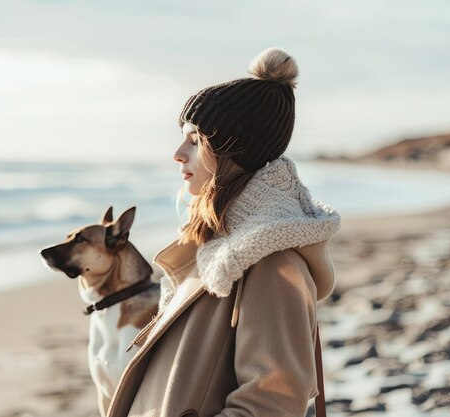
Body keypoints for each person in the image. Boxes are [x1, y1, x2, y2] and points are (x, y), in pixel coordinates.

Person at [105, 46, 341, 417]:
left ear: (236, 151)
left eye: (196, 140)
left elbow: (271, 403)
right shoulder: (220, 243)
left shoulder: (270, 259)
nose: (178, 153)